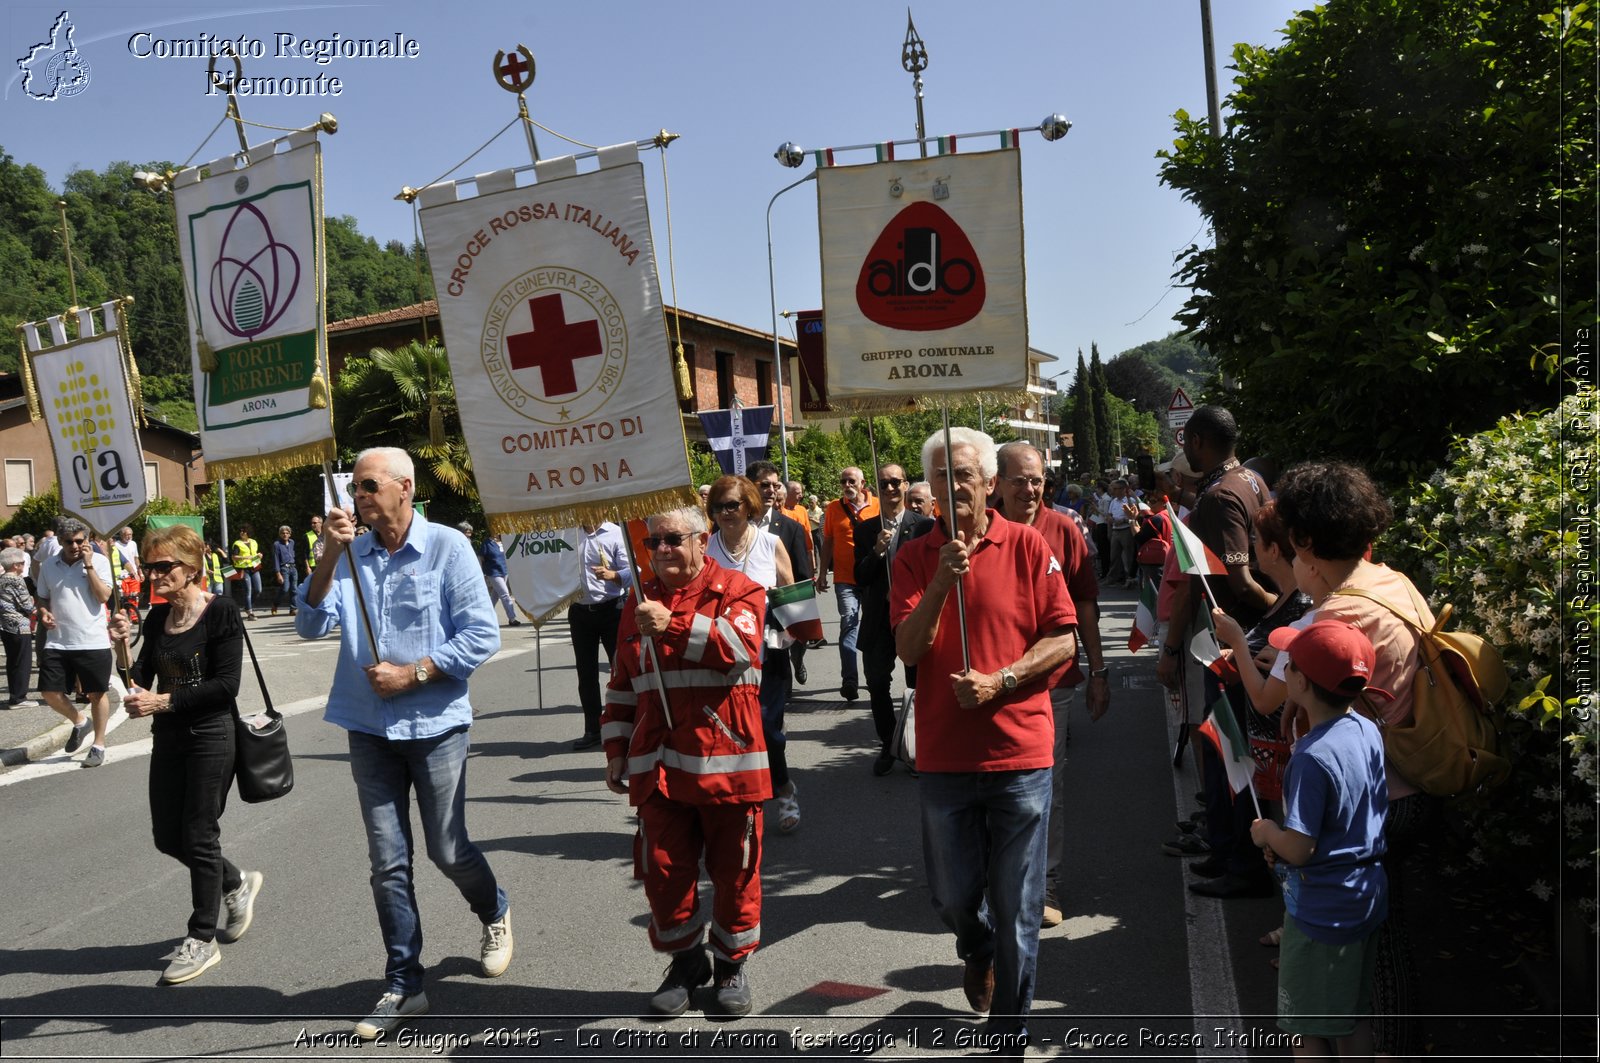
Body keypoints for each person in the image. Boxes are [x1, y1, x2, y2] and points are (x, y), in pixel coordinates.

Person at [296, 447, 512, 1041]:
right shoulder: (349, 552)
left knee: (447, 848)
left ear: (405, 488)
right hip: (367, 728)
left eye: (368, 484)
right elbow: (310, 623)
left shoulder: (447, 546)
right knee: (388, 861)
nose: (358, 495)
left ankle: (493, 908)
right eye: (353, 486)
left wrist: (413, 672)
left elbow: (481, 635)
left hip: (437, 725)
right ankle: (404, 981)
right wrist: (329, 553)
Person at [890, 428, 1077, 1051]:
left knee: (1020, 905)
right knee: (950, 896)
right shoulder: (916, 557)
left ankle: (1009, 1033)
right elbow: (909, 651)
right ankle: (976, 945)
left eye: (965, 473)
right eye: (941, 475)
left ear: (989, 482)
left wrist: (1002, 680)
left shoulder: (1027, 546)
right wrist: (943, 581)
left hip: (1020, 755)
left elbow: (1063, 639)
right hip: (945, 758)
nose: (954, 485)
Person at [1271, 460, 1433, 1060]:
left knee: (1369, 958)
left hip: (1378, 794)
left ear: (1306, 540)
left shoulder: (1339, 614)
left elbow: (1275, 691)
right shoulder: (1392, 582)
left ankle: (1384, 1048)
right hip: (1408, 769)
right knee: (1384, 939)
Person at [601, 506, 770, 1019]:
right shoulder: (638, 599)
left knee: (734, 871)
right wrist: (615, 747)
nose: (662, 551)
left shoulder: (740, 589)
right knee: (663, 873)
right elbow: (623, 682)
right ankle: (687, 961)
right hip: (659, 766)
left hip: (729, 763)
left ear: (703, 540)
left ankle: (730, 965)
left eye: (673, 539)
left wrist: (673, 624)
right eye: (653, 543)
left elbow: (740, 646)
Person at [110, 524, 264, 986]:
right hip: (170, 738)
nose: (154, 575)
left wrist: (163, 702)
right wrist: (120, 642)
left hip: (211, 737)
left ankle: (202, 938)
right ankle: (236, 882)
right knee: (167, 838)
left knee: (199, 835)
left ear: (192, 568)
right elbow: (137, 678)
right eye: (150, 567)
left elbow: (226, 687)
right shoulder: (157, 619)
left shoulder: (221, 613)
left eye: (163, 566)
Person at [1250, 619, 1390, 1058]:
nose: (1283, 670)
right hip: (1365, 893)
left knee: (1307, 1026)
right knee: (1351, 1013)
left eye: (1288, 665)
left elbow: (1300, 847)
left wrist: (1267, 832)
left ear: (1303, 683)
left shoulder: (1311, 757)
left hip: (1322, 907)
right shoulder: (1366, 728)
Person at [1155, 405, 1275, 897]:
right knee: (1230, 748)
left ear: (1199, 440)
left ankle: (1241, 862)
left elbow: (1233, 580)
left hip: (1234, 645)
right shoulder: (1249, 480)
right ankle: (1227, 848)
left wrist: (1287, 615)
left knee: (1230, 750)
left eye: (1186, 441)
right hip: (1244, 641)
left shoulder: (1221, 497)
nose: (1183, 449)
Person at [993, 442, 1108, 928]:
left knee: (1048, 784)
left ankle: (1046, 881)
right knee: (993, 784)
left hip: (1053, 682)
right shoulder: (979, 531)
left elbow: (1085, 605)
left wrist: (1099, 672)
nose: (1029, 489)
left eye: (1036, 479)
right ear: (996, 483)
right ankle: (997, 877)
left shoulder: (1064, 529)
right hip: (993, 684)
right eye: (1018, 479)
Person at [704, 474, 801, 833]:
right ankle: (744, 803)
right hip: (723, 652)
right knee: (731, 732)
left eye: (733, 504)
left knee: (767, 729)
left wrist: (794, 633)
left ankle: (785, 788)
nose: (726, 512)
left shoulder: (770, 543)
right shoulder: (707, 549)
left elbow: (790, 592)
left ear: (749, 505)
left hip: (769, 650)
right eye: (719, 507)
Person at [853, 462, 935, 776]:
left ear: (905, 485)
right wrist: (875, 552)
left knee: (917, 685)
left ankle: (916, 746)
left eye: (895, 482)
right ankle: (888, 743)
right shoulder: (865, 529)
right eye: (884, 483)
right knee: (876, 683)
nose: (889, 489)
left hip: (912, 617)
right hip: (878, 619)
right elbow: (859, 577)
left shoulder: (924, 526)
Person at [36, 519, 114, 766]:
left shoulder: (100, 562)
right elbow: (42, 598)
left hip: (92, 639)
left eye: (80, 541)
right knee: (49, 692)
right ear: (60, 541)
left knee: (96, 693)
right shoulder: (49, 565)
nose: (75, 546)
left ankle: (99, 744)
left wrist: (89, 565)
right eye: (69, 541)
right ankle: (80, 721)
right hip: (58, 641)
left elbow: (103, 596)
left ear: (87, 540)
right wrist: (43, 612)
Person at [747, 462, 816, 685]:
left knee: (776, 681)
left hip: (776, 615)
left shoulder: (790, 528)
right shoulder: (730, 525)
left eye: (775, 486)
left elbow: (800, 573)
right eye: (764, 484)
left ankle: (796, 659)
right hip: (742, 613)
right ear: (749, 486)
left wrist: (801, 619)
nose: (771, 491)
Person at [568, 521, 633, 750]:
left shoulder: (615, 533)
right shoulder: (569, 534)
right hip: (579, 611)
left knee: (621, 671)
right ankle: (593, 729)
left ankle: (627, 727)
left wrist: (613, 574)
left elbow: (633, 572)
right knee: (585, 674)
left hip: (611, 610)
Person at [816, 466, 878, 701]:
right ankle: (850, 680)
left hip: (872, 577)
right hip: (845, 579)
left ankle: (874, 676)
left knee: (873, 628)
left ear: (863, 483)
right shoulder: (833, 508)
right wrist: (823, 573)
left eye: (851, 481)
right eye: (843, 482)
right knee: (849, 624)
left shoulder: (878, 506)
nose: (846, 486)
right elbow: (828, 542)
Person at [1, 547, 38, 708]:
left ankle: (14, 695)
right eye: (22, 563)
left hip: (5, 624)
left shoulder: (2, 579)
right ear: (16, 565)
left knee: (13, 661)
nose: (24, 565)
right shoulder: (16, 579)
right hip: (19, 625)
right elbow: (27, 605)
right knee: (23, 661)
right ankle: (19, 698)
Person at [471, 524, 523, 627]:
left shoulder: (505, 542)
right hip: (493, 572)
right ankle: (512, 619)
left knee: (494, 597)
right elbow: (481, 557)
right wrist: (481, 572)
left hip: (504, 571)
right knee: (505, 595)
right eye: (495, 530)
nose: (497, 532)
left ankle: (484, 617)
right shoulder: (487, 543)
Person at [230, 524, 263, 620]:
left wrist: (259, 555)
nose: (241, 533)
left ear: (248, 532)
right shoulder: (237, 543)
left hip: (255, 567)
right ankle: (250, 613)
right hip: (244, 569)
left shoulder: (254, 542)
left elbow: (255, 554)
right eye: (240, 531)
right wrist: (245, 557)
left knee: (258, 590)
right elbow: (233, 557)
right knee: (248, 590)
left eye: (243, 531)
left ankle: (248, 605)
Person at [269, 525, 298, 617]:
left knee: (294, 589)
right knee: (285, 588)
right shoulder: (277, 544)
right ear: (280, 534)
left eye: (287, 533)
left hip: (293, 567)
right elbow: (276, 559)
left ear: (290, 534)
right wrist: (278, 573)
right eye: (283, 533)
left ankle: (293, 609)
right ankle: (275, 605)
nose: (285, 535)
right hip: (284, 568)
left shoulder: (292, 542)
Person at [302, 515, 324, 580]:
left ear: (320, 524)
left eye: (314, 523)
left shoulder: (326, 535)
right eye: (311, 523)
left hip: (325, 565)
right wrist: (307, 567)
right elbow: (304, 554)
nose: (312, 525)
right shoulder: (307, 536)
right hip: (313, 566)